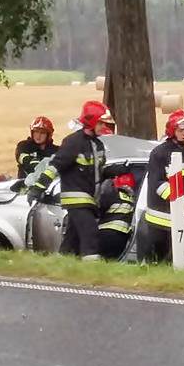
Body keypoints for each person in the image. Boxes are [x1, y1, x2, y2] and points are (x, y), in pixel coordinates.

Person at [27, 100, 113, 260]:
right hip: (76, 199)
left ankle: (62, 264)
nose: (103, 126)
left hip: (90, 200)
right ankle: (92, 268)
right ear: (91, 121)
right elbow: (55, 166)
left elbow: (98, 172)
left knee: (71, 242)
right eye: (100, 123)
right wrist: (37, 188)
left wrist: (117, 171)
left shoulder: (97, 145)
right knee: (90, 233)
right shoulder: (73, 142)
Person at [139, 109, 184, 263]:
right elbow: (157, 183)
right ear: (172, 130)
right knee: (158, 259)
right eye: (181, 130)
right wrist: (181, 200)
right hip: (160, 218)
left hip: (182, 217)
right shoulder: (159, 153)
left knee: (179, 257)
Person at [97, 172, 136, 259]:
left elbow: (100, 209)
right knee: (112, 261)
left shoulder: (112, 193)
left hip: (106, 233)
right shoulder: (132, 200)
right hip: (122, 237)